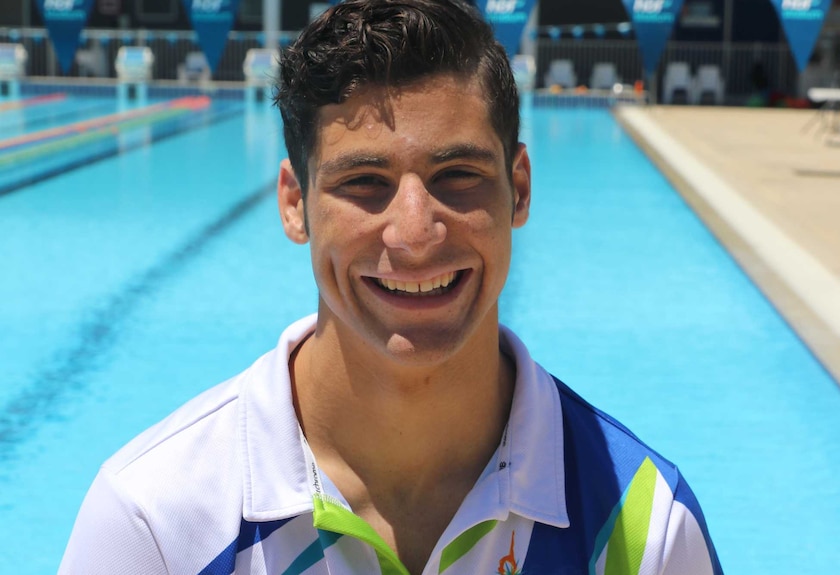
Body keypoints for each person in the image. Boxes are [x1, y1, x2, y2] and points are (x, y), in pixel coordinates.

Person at [59, 0, 724, 573]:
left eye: (458, 173)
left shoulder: (642, 529)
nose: (413, 233)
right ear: (294, 204)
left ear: (519, 187)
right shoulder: (159, 520)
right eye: (363, 182)